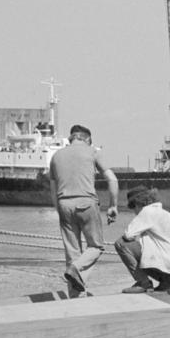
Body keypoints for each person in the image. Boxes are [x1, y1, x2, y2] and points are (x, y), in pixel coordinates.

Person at [48, 124, 119, 297]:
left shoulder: (56, 156)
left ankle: (75, 296)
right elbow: (112, 179)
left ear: (71, 138)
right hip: (86, 203)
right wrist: (113, 205)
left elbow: (53, 189)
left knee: (72, 252)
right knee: (96, 246)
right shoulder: (92, 152)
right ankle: (76, 269)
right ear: (87, 139)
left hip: (64, 203)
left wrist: (60, 210)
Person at [114, 185, 170, 294]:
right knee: (145, 246)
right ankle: (167, 278)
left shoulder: (147, 212)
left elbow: (128, 235)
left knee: (121, 243)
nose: (134, 211)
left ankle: (143, 283)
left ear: (137, 203)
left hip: (165, 259)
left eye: (132, 207)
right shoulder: (166, 213)